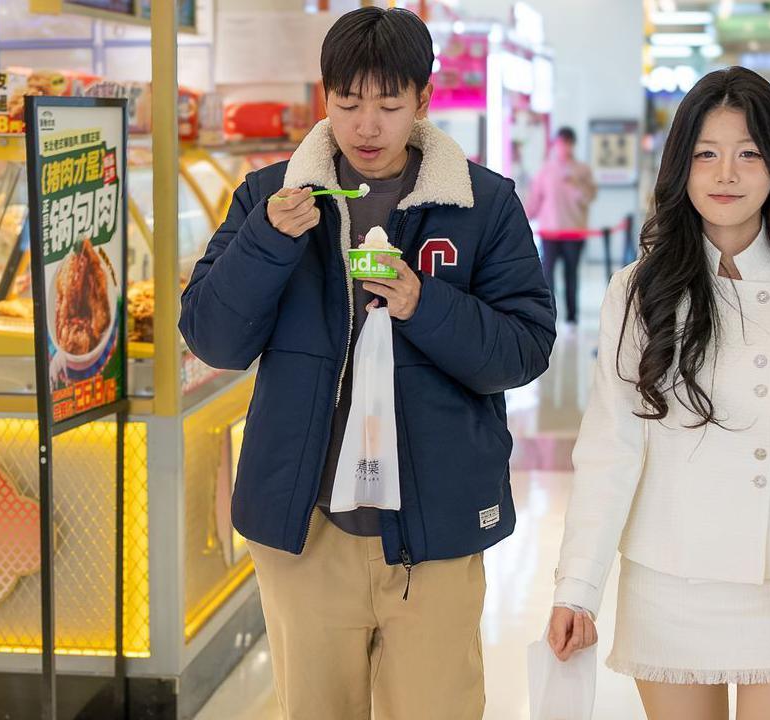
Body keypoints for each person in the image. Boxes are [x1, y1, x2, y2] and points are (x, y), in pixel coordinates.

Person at [178, 8, 555, 718]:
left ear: (423, 99)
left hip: (434, 532)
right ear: (326, 98)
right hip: (307, 530)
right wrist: (265, 244)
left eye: (388, 104)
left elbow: (524, 348)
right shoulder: (269, 198)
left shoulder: (483, 204)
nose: (367, 126)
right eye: (348, 104)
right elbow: (213, 340)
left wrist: (421, 301)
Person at [546, 67, 770, 720]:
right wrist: (577, 588)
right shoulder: (637, 290)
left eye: (748, 154)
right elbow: (613, 447)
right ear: (680, 165)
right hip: (669, 576)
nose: (726, 174)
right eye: (706, 154)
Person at [526, 126, 598, 325]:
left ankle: (572, 316)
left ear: (572, 145)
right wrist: (521, 218)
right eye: (560, 143)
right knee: (547, 276)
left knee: (571, 275)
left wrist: (575, 183)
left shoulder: (582, 170)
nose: (563, 147)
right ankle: (550, 315)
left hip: (574, 232)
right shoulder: (545, 171)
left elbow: (589, 197)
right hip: (550, 232)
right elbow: (535, 200)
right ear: (555, 144)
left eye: (567, 143)